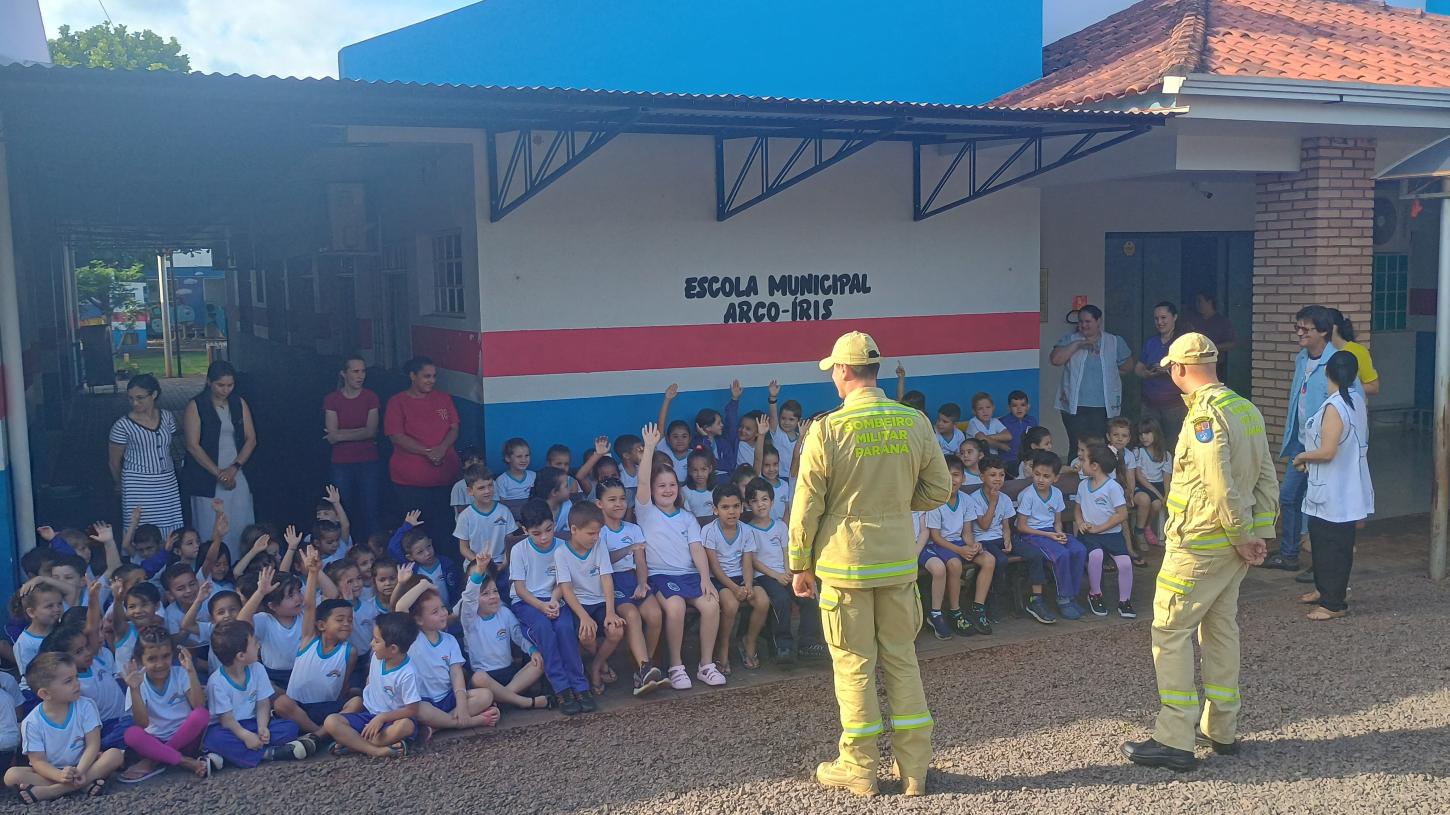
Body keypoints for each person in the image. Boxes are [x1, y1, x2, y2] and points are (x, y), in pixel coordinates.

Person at [789, 330, 951, 798]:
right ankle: (914, 769)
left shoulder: (826, 429)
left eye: (833, 372)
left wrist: (799, 562)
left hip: (845, 566)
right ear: (875, 372)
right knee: (902, 659)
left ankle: (859, 769)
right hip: (899, 561)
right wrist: (900, 503)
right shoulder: (915, 421)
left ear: (843, 371)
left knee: (855, 664)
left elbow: (806, 506)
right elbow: (939, 490)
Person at [1122, 333, 1278, 772]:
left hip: (1199, 544)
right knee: (1220, 628)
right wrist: (1257, 532)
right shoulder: (1245, 408)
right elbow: (1265, 475)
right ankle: (1221, 729)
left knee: (1170, 631)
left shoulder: (1203, 418)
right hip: (1231, 549)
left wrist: (1241, 532)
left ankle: (1174, 738)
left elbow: (1217, 481)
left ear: (1179, 370)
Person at [636, 423, 725, 689]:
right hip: (662, 576)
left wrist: (705, 578)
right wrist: (650, 447)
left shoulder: (687, 517)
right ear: (651, 490)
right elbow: (642, 479)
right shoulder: (646, 512)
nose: (667, 489)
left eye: (672, 484)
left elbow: (697, 549)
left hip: (689, 575)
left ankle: (706, 665)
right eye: (661, 485)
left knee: (710, 603)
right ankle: (676, 666)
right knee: (674, 608)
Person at [1291, 350, 1373, 621]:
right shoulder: (1355, 401)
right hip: (1343, 485)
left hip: (1334, 489)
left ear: (1328, 373)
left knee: (1331, 545)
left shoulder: (1335, 407)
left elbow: (1327, 451)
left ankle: (1333, 602)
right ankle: (1324, 590)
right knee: (1329, 542)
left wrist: (1302, 456)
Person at [1267, 306, 1340, 572]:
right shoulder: (1301, 358)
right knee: (1288, 496)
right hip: (1301, 441)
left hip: (1325, 446)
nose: (1299, 333)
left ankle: (1322, 564)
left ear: (1323, 331)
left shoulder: (1337, 360)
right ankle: (1289, 554)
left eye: (1305, 329)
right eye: (1297, 327)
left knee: (1322, 506)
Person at [510, 498, 596, 715]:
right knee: (544, 629)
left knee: (565, 628)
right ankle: (561, 687)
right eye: (536, 533)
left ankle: (579, 684)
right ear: (524, 530)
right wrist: (541, 606)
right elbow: (520, 589)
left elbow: (563, 582)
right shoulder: (519, 550)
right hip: (528, 603)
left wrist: (554, 600)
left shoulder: (561, 547)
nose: (544, 537)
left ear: (554, 523)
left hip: (557, 599)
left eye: (549, 529)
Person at [6, 653, 124, 802]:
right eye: (69, 681)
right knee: (12, 775)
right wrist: (60, 775)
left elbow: (93, 745)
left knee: (115, 754)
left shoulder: (86, 706)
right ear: (45, 693)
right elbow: (38, 762)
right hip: (51, 772)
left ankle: (52, 792)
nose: (77, 683)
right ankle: (84, 784)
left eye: (76, 677)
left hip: (84, 766)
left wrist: (80, 771)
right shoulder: (32, 722)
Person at [200, 620, 308, 769]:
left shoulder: (257, 669)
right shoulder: (216, 682)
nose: (258, 645)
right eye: (254, 642)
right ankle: (269, 753)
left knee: (289, 727)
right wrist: (245, 736)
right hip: (230, 728)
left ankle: (232, 756)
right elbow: (227, 720)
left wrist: (262, 728)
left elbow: (263, 703)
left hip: (253, 722)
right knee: (215, 738)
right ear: (241, 656)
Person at [181, 361, 256, 558]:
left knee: (240, 519)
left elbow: (251, 439)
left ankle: (241, 563)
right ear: (209, 382)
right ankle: (212, 564)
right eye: (220, 385)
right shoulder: (196, 405)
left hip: (235, 470)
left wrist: (234, 468)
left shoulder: (238, 403)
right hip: (206, 475)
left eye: (230, 385)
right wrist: (219, 473)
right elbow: (192, 445)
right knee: (210, 522)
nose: (225, 390)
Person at [321, 612, 418, 759]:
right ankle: (376, 750)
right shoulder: (376, 656)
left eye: (376, 641)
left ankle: (354, 744)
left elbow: (412, 709)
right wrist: (374, 718)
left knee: (406, 726)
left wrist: (383, 718)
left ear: (393, 649)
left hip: (390, 720)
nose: (371, 644)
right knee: (331, 721)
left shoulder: (408, 673)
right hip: (368, 716)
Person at [119, 626, 210, 782]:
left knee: (201, 714)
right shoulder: (137, 682)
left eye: (165, 656)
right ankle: (184, 761)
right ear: (141, 660)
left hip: (187, 738)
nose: (160, 664)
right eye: (152, 659)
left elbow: (198, 705)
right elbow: (142, 723)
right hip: (155, 742)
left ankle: (157, 760)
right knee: (131, 734)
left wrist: (191, 671)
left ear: (172, 656)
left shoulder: (180, 674)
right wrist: (134, 690)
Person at [384, 357, 460, 534]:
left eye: (434, 376)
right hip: (410, 483)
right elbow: (396, 436)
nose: (431, 381)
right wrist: (427, 452)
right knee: (417, 532)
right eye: (426, 376)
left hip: (446, 477)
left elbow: (454, 428)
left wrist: (441, 449)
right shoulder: (397, 402)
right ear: (412, 376)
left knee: (446, 526)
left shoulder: (444, 398)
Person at [922, 457, 994, 638]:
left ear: (963, 478)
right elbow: (936, 537)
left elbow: (967, 532)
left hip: (959, 543)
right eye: (946, 475)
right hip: (941, 545)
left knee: (989, 560)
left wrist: (972, 546)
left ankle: (978, 608)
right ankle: (955, 611)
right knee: (955, 564)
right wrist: (960, 551)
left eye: (956, 475)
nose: (951, 480)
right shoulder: (935, 502)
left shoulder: (966, 500)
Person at [1014, 451, 1088, 621]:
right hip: (1033, 535)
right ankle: (1063, 598)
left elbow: (1057, 522)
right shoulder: (1028, 495)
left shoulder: (1055, 494)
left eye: (1046, 476)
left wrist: (1059, 533)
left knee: (1079, 550)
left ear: (1055, 478)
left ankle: (1072, 596)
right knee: (1061, 555)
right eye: (1037, 474)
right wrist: (1049, 535)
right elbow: (1022, 527)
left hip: (1050, 533)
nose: (1040, 479)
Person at [108, 374, 184, 539]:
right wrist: (120, 484)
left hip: (166, 482)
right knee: (140, 528)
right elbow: (114, 461)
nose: (135, 403)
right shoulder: (122, 425)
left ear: (154, 395)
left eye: (140, 398)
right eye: (131, 398)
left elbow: (169, 447)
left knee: (169, 527)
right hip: (137, 484)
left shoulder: (167, 417)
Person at [1051, 305, 1133, 454]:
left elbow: (1127, 366)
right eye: (1081, 321)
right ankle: (1076, 477)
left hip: (1103, 407)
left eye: (1088, 321)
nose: (1083, 325)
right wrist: (1077, 345)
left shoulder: (1114, 341)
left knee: (1101, 447)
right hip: (1074, 406)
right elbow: (1056, 360)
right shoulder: (1070, 340)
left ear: (1098, 321)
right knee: (1077, 447)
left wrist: (1110, 374)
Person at [324, 355, 381, 540]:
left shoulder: (371, 397)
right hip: (341, 462)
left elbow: (371, 431)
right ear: (344, 373)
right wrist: (357, 433)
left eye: (363, 371)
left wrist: (341, 435)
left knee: (370, 508)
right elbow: (332, 437)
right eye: (355, 371)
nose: (361, 376)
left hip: (368, 460)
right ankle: (343, 548)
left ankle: (372, 550)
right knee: (342, 507)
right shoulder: (332, 399)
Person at [1074, 446, 1134, 619]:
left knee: (1125, 564)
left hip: (1112, 535)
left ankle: (1125, 601)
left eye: (1084, 460)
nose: (1080, 463)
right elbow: (1077, 509)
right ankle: (1095, 593)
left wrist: (1100, 528)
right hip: (1090, 536)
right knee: (1096, 556)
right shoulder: (1083, 486)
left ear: (1095, 466)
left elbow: (1122, 514)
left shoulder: (1112, 487)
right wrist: (1080, 523)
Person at [1135, 302, 1187, 448]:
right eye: (1156, 318)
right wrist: (1146, 373)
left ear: (1175, 317)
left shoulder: (1183, 342)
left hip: (1175, 406)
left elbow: (1191, 370)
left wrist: (1169, 370)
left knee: (1174, 446)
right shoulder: (1151, 342)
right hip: (1150, 405)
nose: (1160, 322)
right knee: (1149, 445)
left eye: (1164, 317)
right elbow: (1138, 368)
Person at [1329, 309, 1379, 396]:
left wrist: (1343, 388)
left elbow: (1373, 387)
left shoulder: (1358, 351)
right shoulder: (1317, 351)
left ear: (1334, 327)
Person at [1188, 293, 1236, 379]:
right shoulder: (1194, 320)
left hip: (1215, 367)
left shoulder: (1222, 322)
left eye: (1200, 301)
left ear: (1209, 302)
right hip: (1195, 366)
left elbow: (1231, 344)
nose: (1197, 305)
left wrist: (1212, 347)